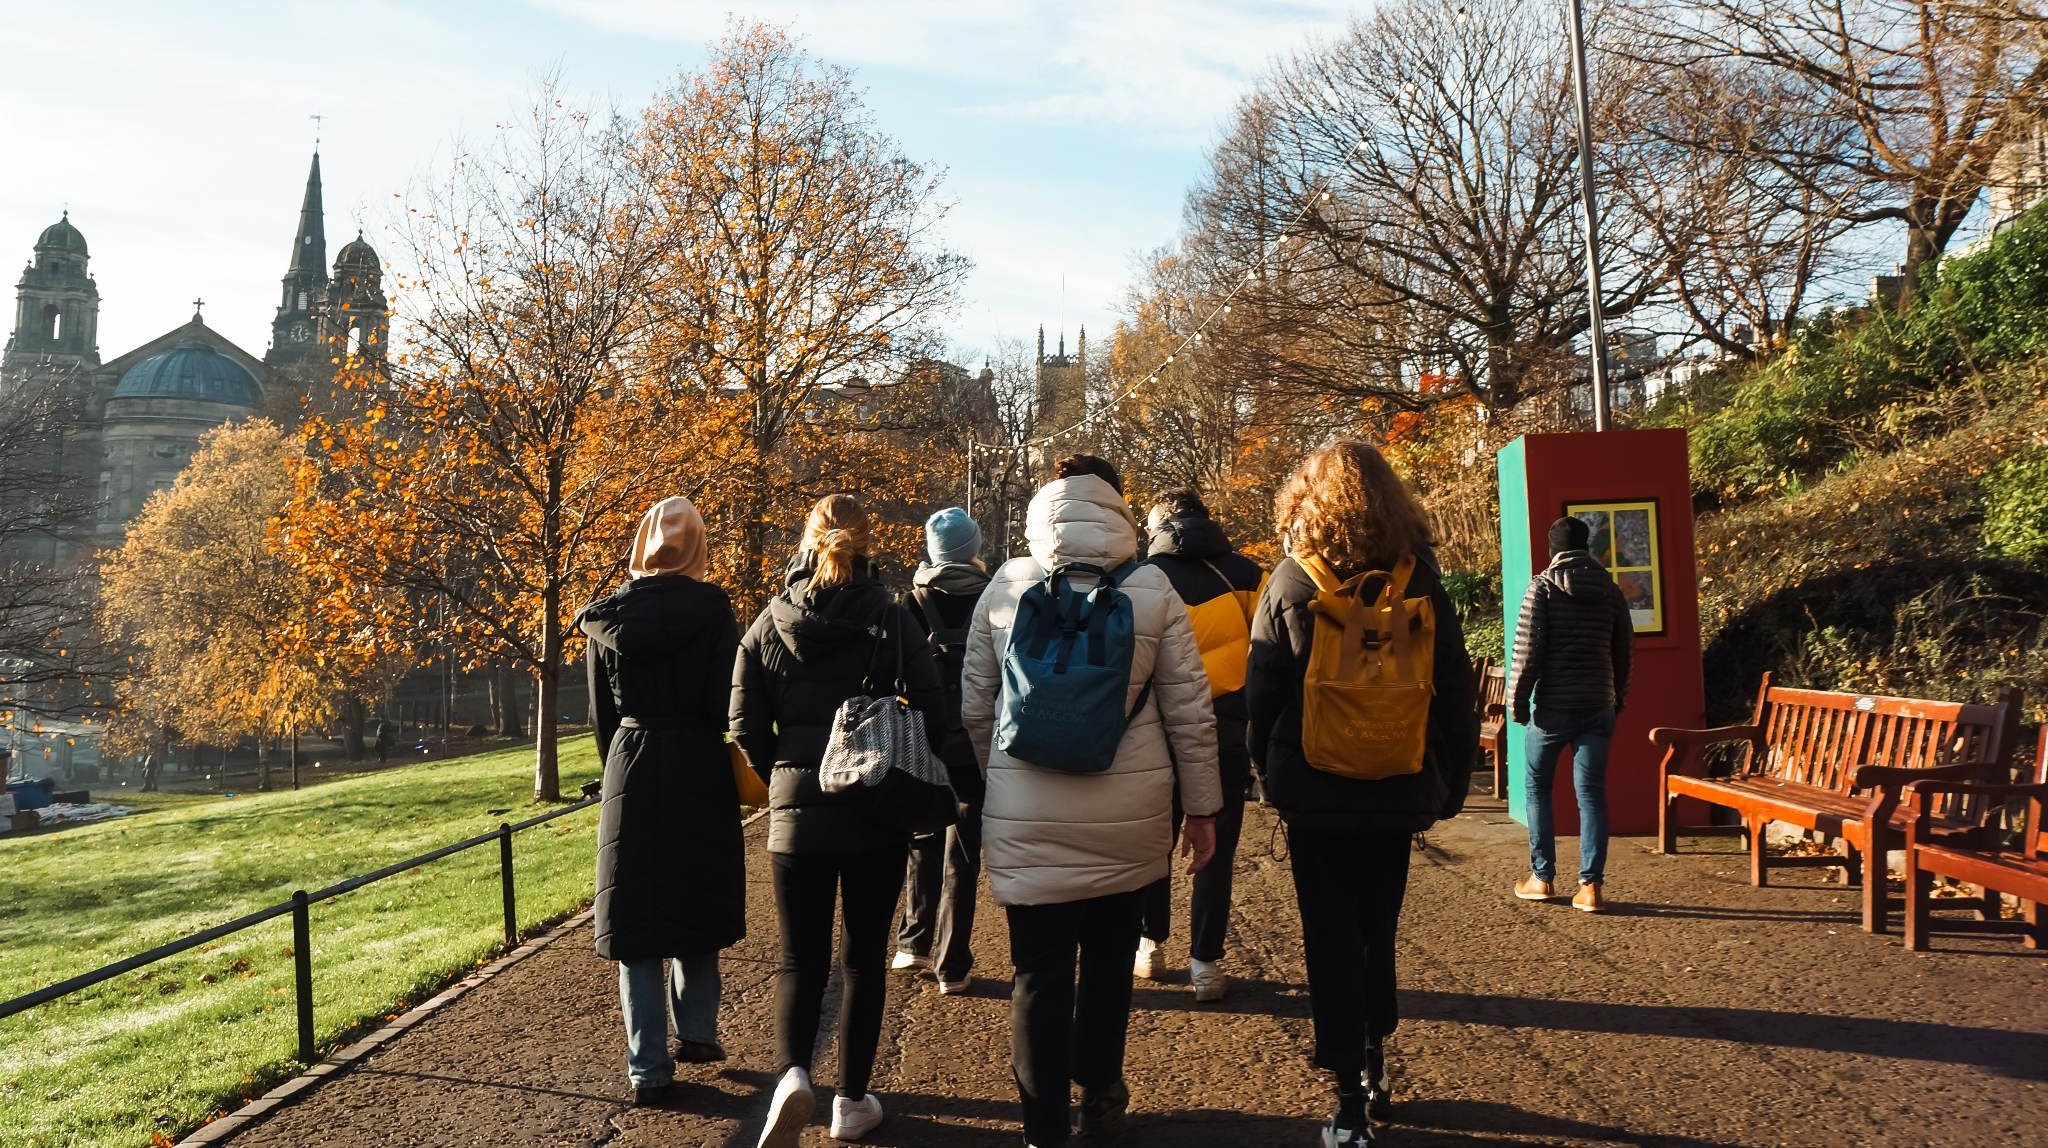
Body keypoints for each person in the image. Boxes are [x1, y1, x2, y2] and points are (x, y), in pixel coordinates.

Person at [961, 454, 1223, 1148]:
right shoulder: (1151, 588)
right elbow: (1190, 712)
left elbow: (974, 705)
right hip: (1130, 810)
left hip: (1027, 807)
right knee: (1109, 963)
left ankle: (1042, 1127)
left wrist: (1003, 780)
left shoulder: (1007, 585)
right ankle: (1100, 1095)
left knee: (1038, 971)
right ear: (1116, 507)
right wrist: (1202, 809)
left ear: (1043, 503)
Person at [1246, 441, 1476, 1148]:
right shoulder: (1420, 582)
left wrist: (1270, 776)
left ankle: (1347, 1095)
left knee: (1330, 938)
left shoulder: (1291, 582)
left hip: (1316, 792)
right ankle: (1378, 1062)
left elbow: (1262, 696)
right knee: (1379, 928)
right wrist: (1451, 784)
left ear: (1305, 504)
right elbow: (1456, 695)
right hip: (1399, 784)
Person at [731, 493, 946, 1148]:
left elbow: (743, 725)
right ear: (865, 542)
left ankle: (794, 1074)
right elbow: (934, 713)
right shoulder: (892, 618)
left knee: (800, 958)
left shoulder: (769, 623)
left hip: (796, 813)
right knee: (862, 961)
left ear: (807, 541)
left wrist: (785, 782)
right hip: (874, 809)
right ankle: (852, 1101)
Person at [577, 496, 746, 1108]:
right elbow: (721, 699)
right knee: (695, 892)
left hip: (632, 755)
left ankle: (647, 1066)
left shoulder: (607, 619)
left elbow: (600, 710)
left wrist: (616, 762)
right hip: (697, 758)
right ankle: (698, 1030)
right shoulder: (714, 611)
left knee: (636, 914)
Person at [1135, 489, 1264, 1001]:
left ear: (1160, 525)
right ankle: (1205, 963)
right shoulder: (1250, 576)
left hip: (1155, 727)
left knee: (1152, 842)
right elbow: (1267, 655)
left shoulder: (1141, 577)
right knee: (1218, 845)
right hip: (1225, 728)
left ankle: (1150, 944)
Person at [1508, 515, 1634, 914]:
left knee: (1537, 788)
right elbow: (1624, 652)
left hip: (1553, 711)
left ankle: (1542, 878)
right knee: (1591, 794)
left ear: (1553, 549)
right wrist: (1617, 699)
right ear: (1587, 547)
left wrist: (1517, 703)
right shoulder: (1611, 592)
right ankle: (1590, 887)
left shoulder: (1541, 588)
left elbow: (1527, 653)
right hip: (1598, 707)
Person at [893, 507, 992, 994]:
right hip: (976, 736)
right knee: (965, 849)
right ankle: (953, 964)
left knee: (922, 836)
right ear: (972, 549)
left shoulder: (909, 602)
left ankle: (913, 942)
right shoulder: (996, 597)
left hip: (922, 734)